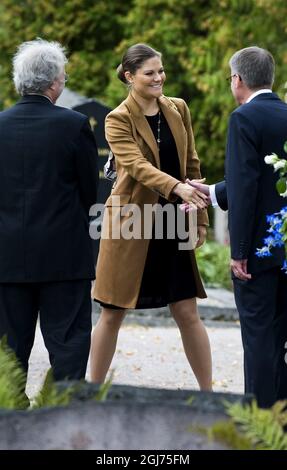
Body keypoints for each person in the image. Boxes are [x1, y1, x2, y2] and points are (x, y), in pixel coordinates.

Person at [91, 43, 212, 391]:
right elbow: (138, 167)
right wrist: (177, 188)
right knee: (112, 313)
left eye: (161, 71)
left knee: (187, 311)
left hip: (174, 222)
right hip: (130, 222)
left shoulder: (178, 108)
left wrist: (199, 219)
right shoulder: (117, 119)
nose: (159, 77)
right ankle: (90, 393)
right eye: (150, 73)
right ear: (130, 77)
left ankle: (210, 396)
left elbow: (192, 164)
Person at [190, 46, 287, 408]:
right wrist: (213, 191)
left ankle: (259, 417)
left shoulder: (243, 118)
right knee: (280, 335)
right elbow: (265, 180)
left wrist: (239, 252)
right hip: (285, 245)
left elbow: (246, 187)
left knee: (259, 336)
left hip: (258, 253)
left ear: (238, 80)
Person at [0, 39, 99, 384]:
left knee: (9, 351)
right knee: (68, 345)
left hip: (8, 256)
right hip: (64, 256)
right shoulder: (73, 125)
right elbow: (90, 191)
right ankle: (63, 420)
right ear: (54, 82)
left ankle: (10, 424)